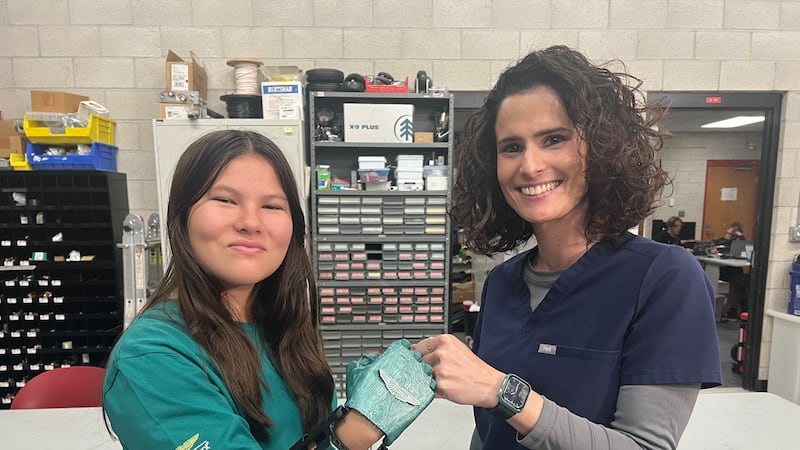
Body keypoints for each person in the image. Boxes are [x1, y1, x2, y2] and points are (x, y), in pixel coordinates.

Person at [414, 46, 722, 449]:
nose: (530, 166)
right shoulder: (503, 283)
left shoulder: (664, 278)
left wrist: (500, 390)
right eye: (511, 147)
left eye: (554, 139)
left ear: (601, 148)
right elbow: (490, 430)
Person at [103, 130, 435, 449]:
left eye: (272, 206)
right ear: (182, 214)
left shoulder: (283, 328)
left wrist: (341, 419)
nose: (251, 222)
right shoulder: (151, 359)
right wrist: (359, 427)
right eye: (225, 199)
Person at [713, 222, 750, 318]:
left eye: (735, 231)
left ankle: (733, 311)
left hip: (735, 271)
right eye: (732, 230)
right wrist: (728, 235)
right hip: (723, 270)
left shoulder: (738, 244)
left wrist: (740, 236)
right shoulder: (720, 241)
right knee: (738, 280)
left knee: (739, 280)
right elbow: (713, 246)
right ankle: (736, 310)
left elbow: (746, 247)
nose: (733, 233)